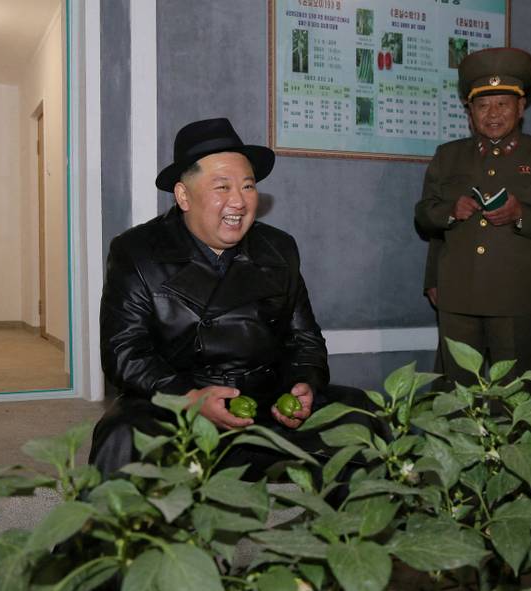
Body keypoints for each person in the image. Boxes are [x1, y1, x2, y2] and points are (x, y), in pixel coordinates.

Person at [89, 118, 355, 476]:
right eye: (222, 187)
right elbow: (125, 352)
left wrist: (302, 383)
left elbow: (304, 339)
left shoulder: (279, 248)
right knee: (121, 440)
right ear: (184, 195)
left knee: (365, 418)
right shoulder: (137, 252)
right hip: (180, 400)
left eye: (248, 186)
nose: (239, 201)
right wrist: (189, 399)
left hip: (265, 401)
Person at [415, 48, 531, 388]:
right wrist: (450, 213)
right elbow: (426, 219)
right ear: (469, 112)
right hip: (457, 292)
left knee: (516, 394)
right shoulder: (448, 156)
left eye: (502, 103)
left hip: (516, 294)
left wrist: (520, 215)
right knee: (454, 391)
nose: (493, 113)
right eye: (483, 105)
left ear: (521, 106)